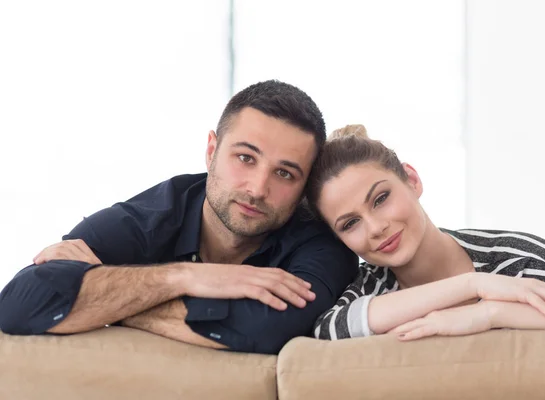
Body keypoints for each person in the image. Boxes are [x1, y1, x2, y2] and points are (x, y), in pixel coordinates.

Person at [0, 80, 358, 355]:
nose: (257, 189)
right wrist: (183, 277)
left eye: (284, 174)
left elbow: (268, 330)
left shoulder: (324, 241)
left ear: (303, 186)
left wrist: (114, 303)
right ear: (211, 151)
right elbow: (19, 303)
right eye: (245, 158)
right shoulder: (152, 217)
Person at [305, 124, 545, 341]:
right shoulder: (371, 286)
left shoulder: (514, 258)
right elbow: (328, 328)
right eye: (350, 224)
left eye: (381, 199)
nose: (376, 228)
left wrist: (490, 314)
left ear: (412, 180)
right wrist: (471, 286)